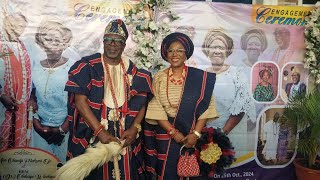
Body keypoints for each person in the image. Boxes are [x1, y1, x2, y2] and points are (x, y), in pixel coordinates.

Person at [64, 19, 152, 179]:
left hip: (125, 136)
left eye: (118, 41)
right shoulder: (87, 66)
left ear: (124, 45)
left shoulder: (137, 73)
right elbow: (80, 102)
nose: (113, 44)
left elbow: (142, 104)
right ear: (103, 41)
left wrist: (135, 129)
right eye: (109, 40)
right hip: (94, 131)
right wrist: (100, 131)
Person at [144, 32, 218, 179]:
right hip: (166, 134)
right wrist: (173, 133)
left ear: (186, 54)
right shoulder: (159, 77)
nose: (174, 54)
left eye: (179, 50)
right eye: (171, 50)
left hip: (193, 132)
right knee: (167, 174)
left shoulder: (199, 78)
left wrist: (196, 134)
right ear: (166, 54)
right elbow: (155, 108)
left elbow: (206, 108)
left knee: (193, 173)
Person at [202, 29, 255, 158]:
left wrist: (221, 135)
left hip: (231, 133)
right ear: (207, 51)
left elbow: (241, 106)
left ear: (228, 51)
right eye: (213, 47)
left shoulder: (237, 74)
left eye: (221, 47)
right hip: (205, 136)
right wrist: (205, 135)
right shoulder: (201, 74)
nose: (217, 51)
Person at [29, 20, 74, 163]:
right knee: (39, 169)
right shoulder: (35, 65)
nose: (52, 44)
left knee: (62, 171)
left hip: (65, 129)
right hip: (39, 129)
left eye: (57, 40)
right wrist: (37, 124)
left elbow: (78, 101)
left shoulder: (72, 66)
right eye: (48, 39)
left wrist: (62, 129)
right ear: (41, 42)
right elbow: (31, 97)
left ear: (65, 42)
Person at [0, 13, 32, 150]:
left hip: (21, 106)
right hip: (2, 105)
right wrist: (1, 96)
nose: (16, 29)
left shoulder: (23, 46)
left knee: (17, 147)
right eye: (13, 25)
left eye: (20, 26)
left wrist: (32, 98)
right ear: (5, 24)